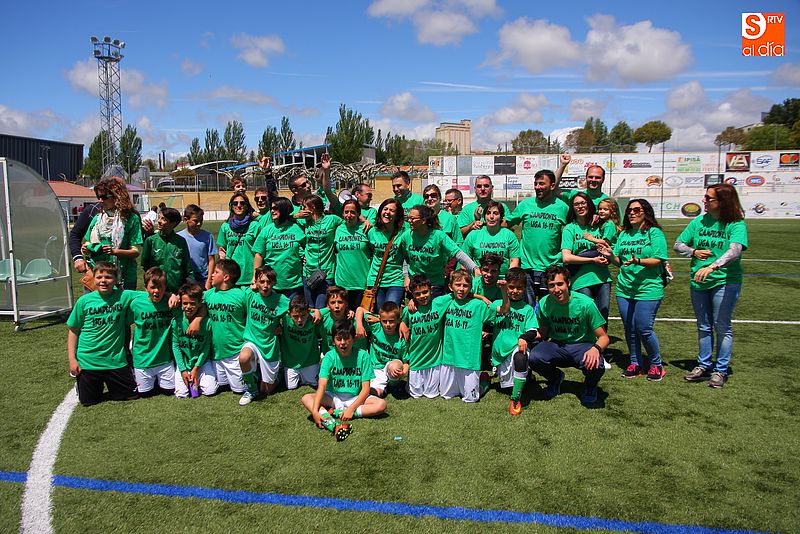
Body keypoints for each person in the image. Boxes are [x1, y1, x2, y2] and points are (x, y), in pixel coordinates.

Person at [674, 184, 748, 388]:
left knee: (722, 326)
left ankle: (721, 370)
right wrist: (693, 251)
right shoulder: (699, 221)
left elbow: (735, 250)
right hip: (698, 281)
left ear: (722, 201)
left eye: (709, 198)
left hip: (725, 280)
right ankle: (703, 364)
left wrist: (713, 266)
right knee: (703, 325)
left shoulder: (735, 223)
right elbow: (678, 244)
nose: (704, 201)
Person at [597, 199, 668, 381]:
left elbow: (659, 259)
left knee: (644, 328)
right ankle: (635, 363)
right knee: (629, 328)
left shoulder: (654, 233)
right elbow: (620, 261)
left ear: (646, 212)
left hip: (648, 289)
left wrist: (638, 261)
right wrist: (610, 255)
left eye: (637, 210)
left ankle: (656, 364)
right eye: (629, 210)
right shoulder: (625, 234)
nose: (632, 213)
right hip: (625, 289)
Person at [521, 265, 609, 408]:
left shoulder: (586, 303)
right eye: (551, 286)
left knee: (597, 364)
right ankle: (555, 378)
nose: (556, 290)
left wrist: (596, 349)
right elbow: (543, 333)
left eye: (560, 284)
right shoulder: (544, 303)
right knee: (534, 357)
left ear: (568, 283)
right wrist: (524, 337)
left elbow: (604, 337)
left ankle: (590, 385)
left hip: (583, 345)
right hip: (557, 344)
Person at [66, 261, 139, 406]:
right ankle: (81, 385)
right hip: (89, 361)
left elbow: (151, 294)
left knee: (131, 396)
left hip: (115, 361)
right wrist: (72, 359)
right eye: (99, 277)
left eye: (108, 277)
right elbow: (73, 330)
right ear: (93, 278)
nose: (103, 281)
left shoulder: (124, 295)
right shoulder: (84, 301)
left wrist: (171, 295)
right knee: (89, 402)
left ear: (117, 280)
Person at [301, 319, 387, 442]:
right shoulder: (329, 357)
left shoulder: (363, 356)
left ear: (354, 338)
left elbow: (366, 389)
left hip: (356, 397)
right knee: (306, 398)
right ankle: (331, 424)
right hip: (334, 396)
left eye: (347, 338)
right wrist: (314, 412)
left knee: (381, 405)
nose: (343, 343)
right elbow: (322, 386)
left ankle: (336, 413)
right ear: (333, 341)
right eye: (339, 339)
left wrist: (351, 409)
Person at [440, 270, 508, 403]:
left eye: (465, 286)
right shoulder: (446, 301)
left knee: (471, 398)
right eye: (458, 285)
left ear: (470, 287)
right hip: (449, 358)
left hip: (469, 360)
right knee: (445, 394)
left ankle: (484, 381)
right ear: (450, 287)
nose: (461, 289)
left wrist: (504, 291)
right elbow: (424, 303)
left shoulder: (478, 305)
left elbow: (504, 310)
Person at [506, 169, 569, 305]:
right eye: (536, 184)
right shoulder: (525, 205)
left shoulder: (562, 207)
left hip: (551, 268)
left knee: (549, 310)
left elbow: (575, 227)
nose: (537, 187)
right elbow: (506, 223)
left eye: (541, 183)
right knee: (527, 309)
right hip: (527, 267)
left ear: (552, 186)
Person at [70, 177, 151, 279]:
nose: (100, 200)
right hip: (97, 275)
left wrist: (114, 251)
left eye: (104, 197)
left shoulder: (132, 218)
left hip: (123, 276)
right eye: (98, 196)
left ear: (117, 197)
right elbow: (80, 238)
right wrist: (84, 250)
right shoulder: (96, 216)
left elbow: (136, 250)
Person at [401, 204, 479, 297]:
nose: (409, 221)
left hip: (434, 283)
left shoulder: (438, 236)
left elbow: (458, 253)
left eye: (413, 218)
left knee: (434, 311)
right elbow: (405, 257)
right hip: (415, 283)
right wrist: (406, 276)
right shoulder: (406, 236)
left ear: (423, 220)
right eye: (408, 218)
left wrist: (474, 268)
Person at [239, 266, 290, 406]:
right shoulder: (249, 294)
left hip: (269, 345)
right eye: (262, 281)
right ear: (256, 282)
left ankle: (276, 374)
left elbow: (297, 310)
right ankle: (250, 389)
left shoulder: (280, 299)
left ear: (274, 283)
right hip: (252, 340)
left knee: (266, 390)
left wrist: (282, 326)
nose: (265, 286)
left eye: (269, 282)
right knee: (243, 357)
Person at [490, 267, 537, 416]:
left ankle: (515, 399)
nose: (515, 291)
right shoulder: (496, 304)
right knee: (505, 385)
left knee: (521, 355)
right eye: (511, 287)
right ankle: (525, 376)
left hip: (516, 349)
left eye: (519, 288)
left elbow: (532, 331)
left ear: (524, 288)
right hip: (499, 354)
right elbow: (503, 310)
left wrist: (523, 338)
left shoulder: (528, 309)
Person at [561, 192, 614, 323]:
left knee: (603, 318)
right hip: (580, 279)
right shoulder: (570, 228)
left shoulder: (600, 225)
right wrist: (592, 260)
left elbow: (610, 243)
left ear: (589, 205)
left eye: (583, 203)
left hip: (602, 278)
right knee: (585, 318)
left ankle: (602, 343)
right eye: (576, 204)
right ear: (572, 207)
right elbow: (566, 258)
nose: (580, 206)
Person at [129, 267, 181, 397]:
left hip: (165, 359)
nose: (157, 291)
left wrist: (173, 295)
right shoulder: (136, 304)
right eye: (152, 287)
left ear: (166, 287)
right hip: (143, 358)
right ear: (145, 288)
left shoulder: (171, 303)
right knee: (145, 394)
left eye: (161, 287)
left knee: (169, 392)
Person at [402, 275, 451, 399]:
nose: (422, 296)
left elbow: (458, 294)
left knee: (432, 394)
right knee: (415, 394)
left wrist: (481, 297)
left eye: (425, 292)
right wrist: (402, 324)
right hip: (416, 360)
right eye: (417, 294)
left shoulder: (439, 303)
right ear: (412, 294)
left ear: (431, 290)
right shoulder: (409, 310)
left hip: (434, 362)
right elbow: (400, 322)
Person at [203, 259, 248, 395]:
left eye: (216, 272)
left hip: (235, 352)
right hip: (216, 353)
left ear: (226, 277)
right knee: (221, 385)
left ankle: (253, 369)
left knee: (240, 390)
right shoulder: (209, 294)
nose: (211, 275)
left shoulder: (242, 295)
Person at [253, 197, 306, 300]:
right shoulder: (267, 230)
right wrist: (255, 278)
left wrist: (305, 257)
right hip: (270, 285)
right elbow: (259, 255)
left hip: (294, 284)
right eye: (271, 208)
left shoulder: (297, 229)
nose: (272, 211)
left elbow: (307, 248)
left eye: (276, 208)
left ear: (284, 209)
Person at [172, 282, 216, 398]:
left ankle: (199, 379)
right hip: (185, 363)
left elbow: (206, 347)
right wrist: (182, 369)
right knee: (181, 394)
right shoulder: (177, 321)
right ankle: (190, 378)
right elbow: (175, 345)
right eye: (185, 303)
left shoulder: (207, 323)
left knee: (209, 391)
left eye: (192, 303)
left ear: (199, 303)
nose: (188, 307)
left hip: (202, 362)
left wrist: (197, 367)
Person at [356, 301, 408, 398]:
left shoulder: (401, 336)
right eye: (384, 321)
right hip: (375, 367)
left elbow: (406, 362)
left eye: (391, 321)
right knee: (377, 393)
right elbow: (360, 309)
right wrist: (359, 325)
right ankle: (385, 387)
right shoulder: (376, 327)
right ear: (380, 319)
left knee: (394, 366)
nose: (388, 324)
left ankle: (393, 384)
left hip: (391, 367)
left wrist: (403, 373)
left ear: (398, 320)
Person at [301, 195, 344, 309]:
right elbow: (286, 221)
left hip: (326, 273)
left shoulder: (332, 219)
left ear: (313, 207)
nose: (302, 210)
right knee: (309, 308)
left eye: (304, 207)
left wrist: (365, 221)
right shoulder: (305, 222)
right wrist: (296, 216)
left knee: (321, 309)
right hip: (308, 272)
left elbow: (349, 222)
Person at [462, 200, 520, 279]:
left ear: (501, 217)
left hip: (502, 280)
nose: (491, 217)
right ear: (484, 216)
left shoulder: (509, 235)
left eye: (495, 213)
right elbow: (464, 261)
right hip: (479, 280)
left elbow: (514, 261)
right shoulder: (473, 235)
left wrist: (508, 279)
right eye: (488, 213)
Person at [366, 199, 406, 309]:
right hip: (375, 281)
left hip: (395, 280)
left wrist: (407, 277)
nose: (387, 212)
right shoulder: (372, 232)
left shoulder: (402, 233)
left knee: (390, 314)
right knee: (378, 316)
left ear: (397, 215)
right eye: (385, 209)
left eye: (392, 210)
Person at [141, 207, 192, 293]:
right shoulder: (151, 240)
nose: (159, 221)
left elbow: (187, 267)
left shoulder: (180, 241)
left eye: (164, 219)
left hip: (176, 289)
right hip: (157, 290)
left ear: (172, 224)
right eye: (159, 218)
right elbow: (145, 265)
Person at [334, 199, 372, 310]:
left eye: (352, 212)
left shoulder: (366, 229)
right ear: (342, 213)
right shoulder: (338, 229)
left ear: (358, 214)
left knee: (360, 320)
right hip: (342, 283)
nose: (349, 215)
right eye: (346, 212)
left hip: (362, 283)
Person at [281, 295, 324, 390]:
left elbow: (329, 309)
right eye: (295, 316)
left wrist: (317, 311)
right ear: (289, 313)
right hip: (290, 362)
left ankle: (317, 369)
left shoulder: (314, 318)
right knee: (291, 387)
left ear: (308, 312)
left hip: (310, 360)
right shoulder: (284, 318)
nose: (299, 320)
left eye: (303, 315)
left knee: (314, 383)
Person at [217, 192, 259, 287]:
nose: (239, 206)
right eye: (235, 203)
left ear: (247, 206)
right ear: (231, 206)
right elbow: (222, 250)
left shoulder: (255, 225)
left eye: (242, 203)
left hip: (249, 275)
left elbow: (260, 252)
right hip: (231, 275)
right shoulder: (225, 226)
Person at [178, 204, 217, 290]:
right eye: (195, 221)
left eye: (201, 221)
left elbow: (211, 260)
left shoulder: (207, 236)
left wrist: (209, 280)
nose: (199, 224)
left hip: (203, 277)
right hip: (185, 277)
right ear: (185, 220)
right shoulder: (179, 237)